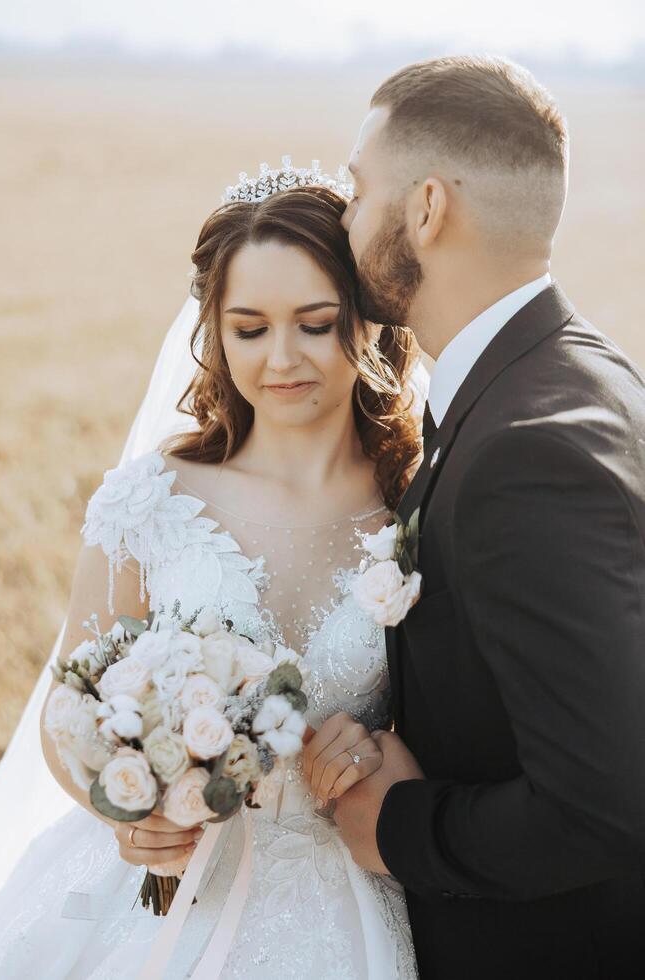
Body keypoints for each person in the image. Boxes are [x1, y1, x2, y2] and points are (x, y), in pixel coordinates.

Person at [0, 170, 425, 978]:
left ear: (364, 322)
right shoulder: (153, 498)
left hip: (335, 895)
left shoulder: (417, 507)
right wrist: (121, 808)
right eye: (249, 328)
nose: (283, 359)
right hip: (154, 889)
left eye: (316, 323)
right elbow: (69, 703)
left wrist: (382, 753)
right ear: (214, 332)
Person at [329, 54, 645, 979]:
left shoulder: (524, 452)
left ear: (425, 208)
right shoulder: (582, 369)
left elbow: (604, 804)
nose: (345, 218)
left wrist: (397, 828)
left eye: (357, 189)